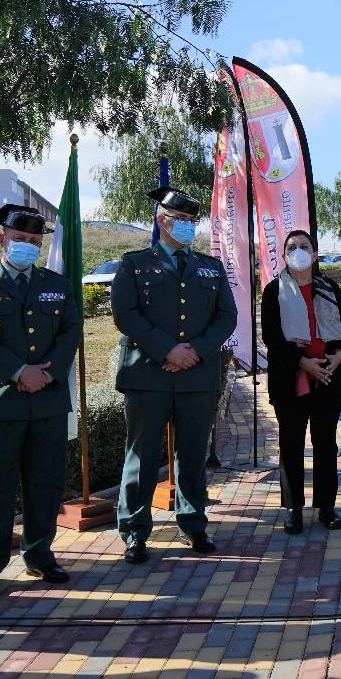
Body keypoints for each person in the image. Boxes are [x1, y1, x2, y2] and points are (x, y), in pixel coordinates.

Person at [0, 206, 82, 597]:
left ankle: (40, 555)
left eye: (33, 241)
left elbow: (70, 331)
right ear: (2, 240)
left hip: (47, 399)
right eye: (20, 240)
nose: (27, 246)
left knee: (45, 482)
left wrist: (45, 373)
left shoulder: (56, 285)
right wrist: (18, 372)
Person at [112, 187, 238, 563]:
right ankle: (135, 531)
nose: (184, 226)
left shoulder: (210, 266)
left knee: (193, 454)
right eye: (177, 219)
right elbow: (126, 314)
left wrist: (194, 351)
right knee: (142, 455)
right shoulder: (134, 264)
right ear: (160, 219)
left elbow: (225, 317)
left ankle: (193, 523)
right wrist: (168, 350)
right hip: (148, 375)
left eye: (189, 220)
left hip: (196, 376)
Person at [261, 230, 341, 534]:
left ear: (314, 254)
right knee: (291, 443)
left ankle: (326, 506)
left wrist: (338, 357)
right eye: (292, 247)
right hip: (291, 380)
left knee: (325, 444)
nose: (298, 251)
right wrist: (303, 363)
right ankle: (293, 508)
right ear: (285, 255)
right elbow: (272, 337)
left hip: (328, 377)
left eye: (304, 247)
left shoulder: (330, 289)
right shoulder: (273, 291)